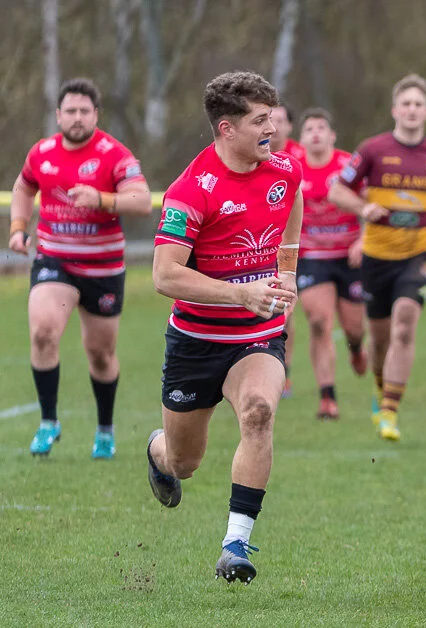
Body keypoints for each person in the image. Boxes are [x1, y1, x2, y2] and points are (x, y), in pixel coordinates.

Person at [146, 71, 304, 583]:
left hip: (255, 338)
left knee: (259, 413)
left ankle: (235, 544)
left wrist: (286, 274)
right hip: (195, 341)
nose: (272, 130)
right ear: (226, 128)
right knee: (183, 461)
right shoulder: (190, 190)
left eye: (273, 119)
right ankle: (157, 452)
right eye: (260, 121)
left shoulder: (284, 170)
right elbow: (164, 275)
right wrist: (241, 292)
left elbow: (291, 205)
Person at [9, 78, 150, 459]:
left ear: (95, 115)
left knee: (100, 354)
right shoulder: (41, 152)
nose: (76, 117)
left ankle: (105, 428)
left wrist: (102, 199)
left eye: (84, 111)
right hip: (55, 260)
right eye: (69, 110)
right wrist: (19, 229)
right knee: (42, 334)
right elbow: (23, 188)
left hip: (103, 268)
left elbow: (141, 201)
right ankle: (48, 421)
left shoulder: (114, 154)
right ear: (58, 115)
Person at [328, 74, 426, 442]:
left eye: (418, 104)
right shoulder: (373, 150)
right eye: (405, 103)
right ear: (395, 110)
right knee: (379, 340)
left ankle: (390, 411)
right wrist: (364, 207)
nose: (412, 110)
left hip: (420, 252)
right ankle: (381, 389)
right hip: (377, 255)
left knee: (405, 323)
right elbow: (337, 190)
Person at [292, 108, 367, 420]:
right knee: (319, 322)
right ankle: (327, 397)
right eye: (310, 129)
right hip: (312, 257)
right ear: (302, 138)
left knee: (354, 327)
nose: (316, 133)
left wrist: (363, 241)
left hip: (349, 255)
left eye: (322, 127)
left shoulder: (348, 165)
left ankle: (355, 348)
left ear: (333, 136)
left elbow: (370, 205)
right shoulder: (294, 169)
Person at [270, 104, 305, 398]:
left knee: (287, 312)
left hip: (297, 247)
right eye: (270, 120)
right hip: (264, 245)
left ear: (290, 126)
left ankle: (284, 372)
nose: (275, 126)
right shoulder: (252, 156)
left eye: (281, 120)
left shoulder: (300, 159)